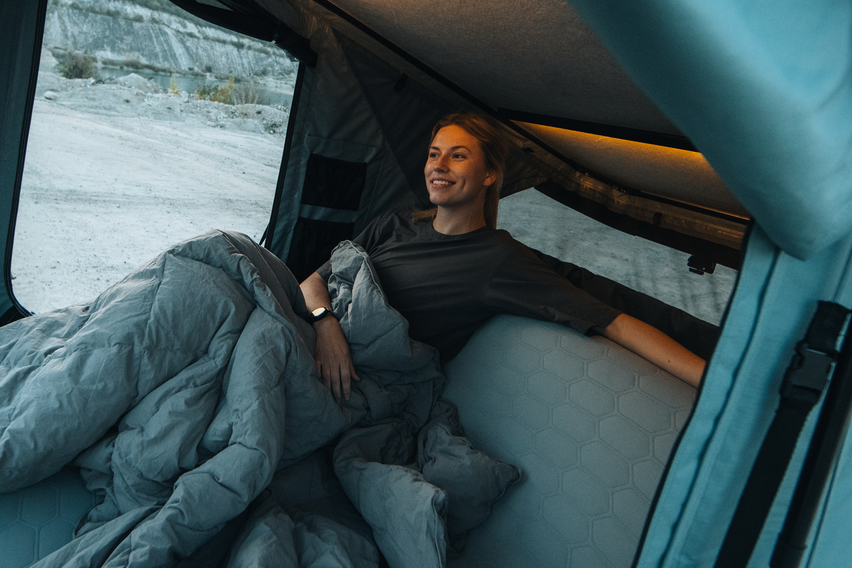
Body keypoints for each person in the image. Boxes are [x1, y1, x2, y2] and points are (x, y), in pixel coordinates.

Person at [300, 112, 706, 401]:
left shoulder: (498, 260)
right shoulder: (396, 223)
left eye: (457, 155)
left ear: (490, 174)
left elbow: (612, 322)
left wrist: (715, 384)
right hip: (312, 336)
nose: (438, 165)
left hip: (350, 381)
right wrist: (326, 326)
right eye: (433, 153)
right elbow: (312, 282)